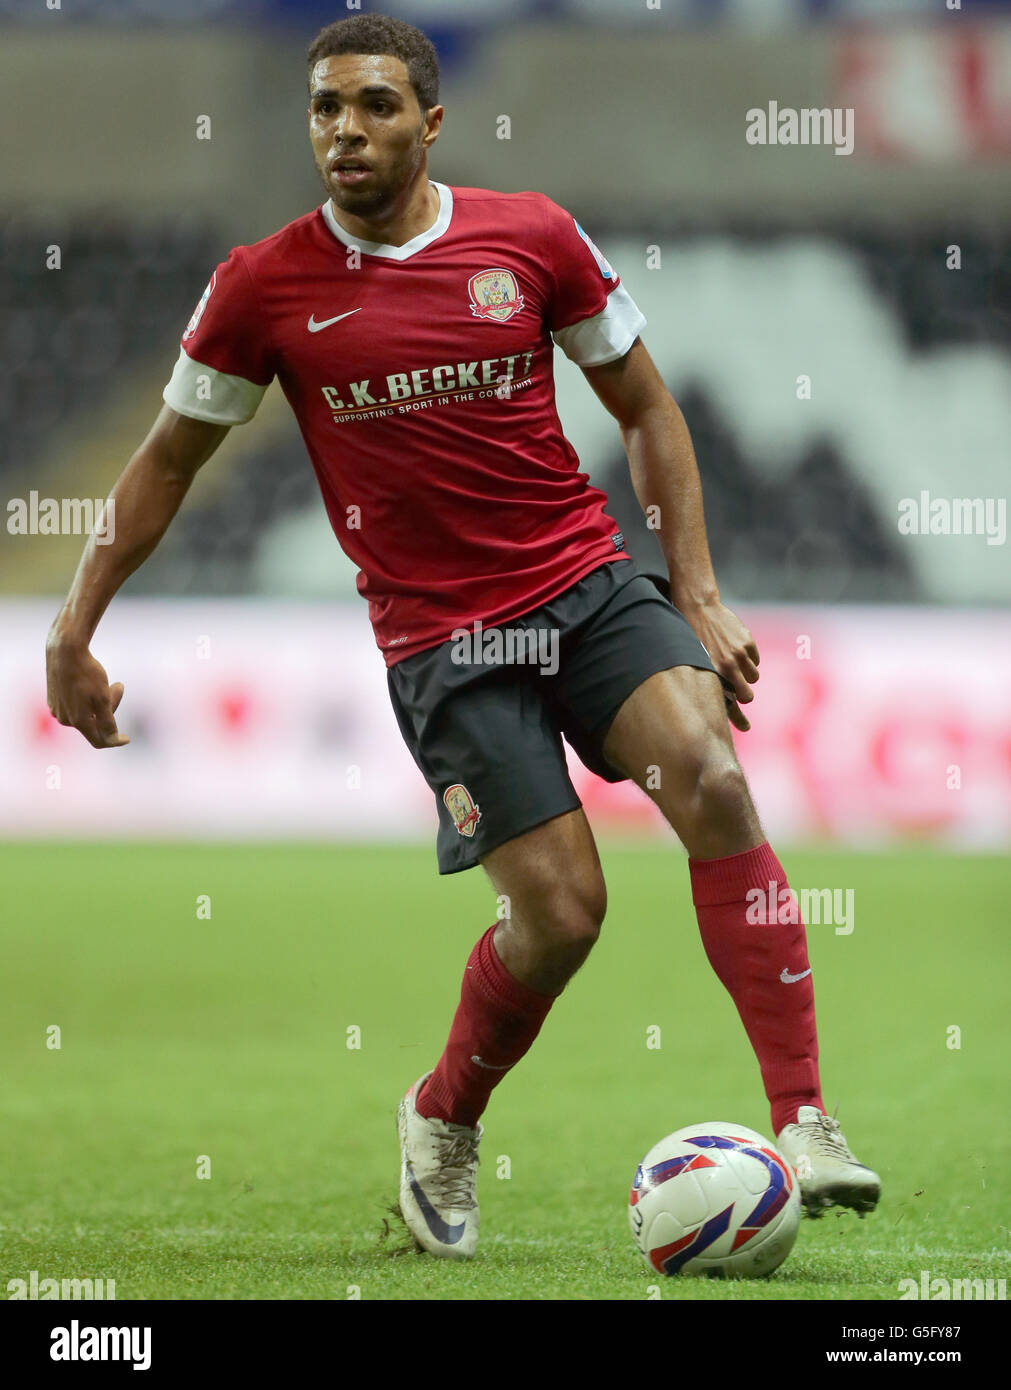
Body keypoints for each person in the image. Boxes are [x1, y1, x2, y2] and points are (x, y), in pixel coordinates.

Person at [45, 13, 880, 1262]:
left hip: (586, 586)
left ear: (431, 123)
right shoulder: (262, 288)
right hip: (447, 642)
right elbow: (167, 464)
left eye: (375, 106)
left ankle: (804, 1117)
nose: (345, 131)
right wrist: (72, 627)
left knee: (709, 773)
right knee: (563, 915)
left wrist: (696, 588)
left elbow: (649, 408)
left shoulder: (531, 237)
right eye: (326, 108)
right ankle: (443, 1114)